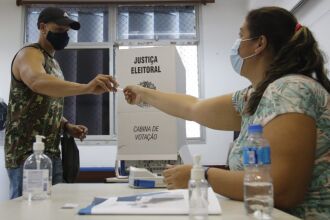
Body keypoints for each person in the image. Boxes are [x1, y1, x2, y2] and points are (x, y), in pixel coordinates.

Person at [123, 6, 330, 219]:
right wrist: (143, 93)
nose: (236, 46)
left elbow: (283, 189)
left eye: (241, 36)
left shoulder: (291, 89)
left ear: (260, 43)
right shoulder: (254, 96)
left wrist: (202, 175)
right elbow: (192, 107)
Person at [5, 7, 119, 199]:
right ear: (42, 27)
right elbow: (37, 82)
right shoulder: (29, 54)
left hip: (52, 153)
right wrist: (87, 87)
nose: (64, 35)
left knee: (54, 210)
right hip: (27, 156)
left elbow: (47, 102)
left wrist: (66, 125)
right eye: (59, 29)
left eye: (67, 31)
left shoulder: (54, 63)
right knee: (27, 212)